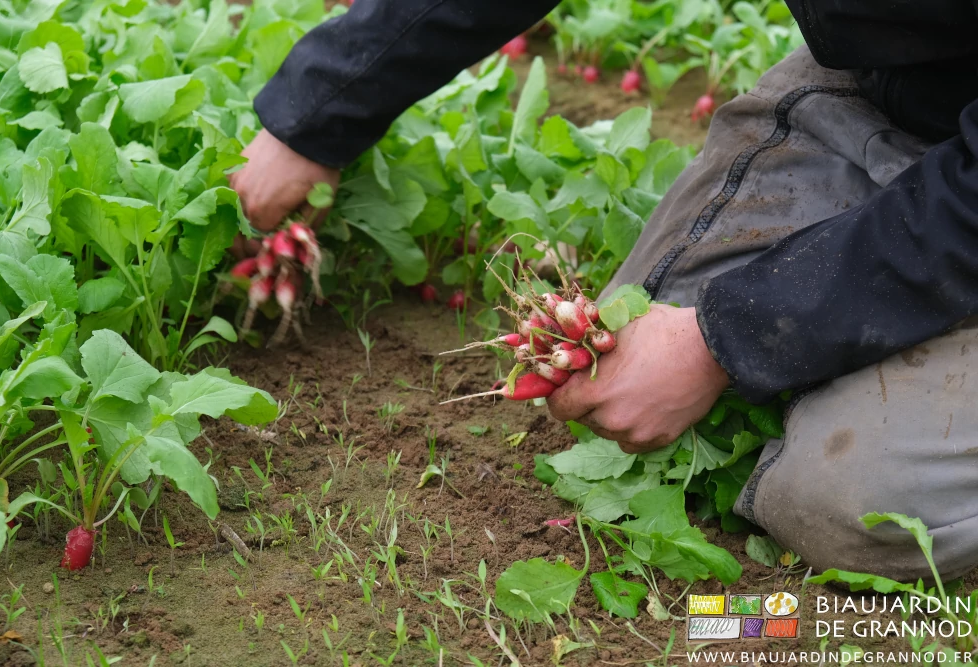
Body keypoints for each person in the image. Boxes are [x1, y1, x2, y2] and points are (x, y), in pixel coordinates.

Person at [228, 0, 978, 583]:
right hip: (899, 87)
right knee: (640, 324)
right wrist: (320, 111)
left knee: (846, 502)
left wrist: (723, 339)